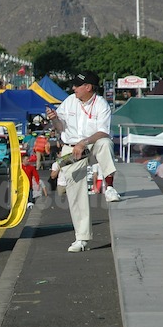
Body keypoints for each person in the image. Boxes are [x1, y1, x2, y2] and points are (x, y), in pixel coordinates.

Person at [45, 70, 120, 253]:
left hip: (90, 145)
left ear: (88, 87)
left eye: (77, 85)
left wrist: (84, 142)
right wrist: (54, 120)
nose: (74, 88)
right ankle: (82, 238)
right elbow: (60, 127)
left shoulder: (101, 104)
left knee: (105, 143)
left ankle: (109, 186)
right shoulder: (70, 101)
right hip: (71, 148)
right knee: (74, 190)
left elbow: (103, 132)